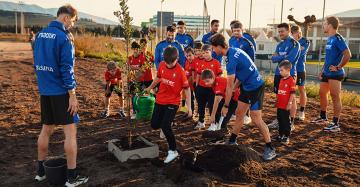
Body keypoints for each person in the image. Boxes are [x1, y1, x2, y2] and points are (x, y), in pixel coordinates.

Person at [33, 4, 88, 186]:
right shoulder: (64, 38)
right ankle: (72, 177)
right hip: (61, 91)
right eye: (71, 21)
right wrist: (72, 94)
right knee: (70, 132)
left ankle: (40, 172)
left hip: (45, 91)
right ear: (65, 18)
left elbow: (37, 63)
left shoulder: (40, 35)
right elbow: (67, 68)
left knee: (46, 130)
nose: (71, 25)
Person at [210, 33, 276, 161]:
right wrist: (234, 88)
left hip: (256, 87)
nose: (213, 50)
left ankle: (270, 147)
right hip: (246, 86)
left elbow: (229, 86)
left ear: (219, 46)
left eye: (213, 48)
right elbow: (242, 73)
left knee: (257, 119)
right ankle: (233, 140)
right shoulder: (234, 51)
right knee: (239, 114)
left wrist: (226, 105)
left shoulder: (231, 60)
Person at [145, 46, 192, 163]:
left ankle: (173, 151)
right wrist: (150, 87)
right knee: (155, 125)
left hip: (173, 101)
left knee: (166, 126)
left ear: (177, 59)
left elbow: (187, 90)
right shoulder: (161, 65)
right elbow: (158, 78)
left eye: (172, 63)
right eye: (167, 63)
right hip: (160, 99)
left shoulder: (180, 72)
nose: (169, 65)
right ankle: (166, 124)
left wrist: (189, 108)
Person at [312, 16, 352, 132]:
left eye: (324, 23)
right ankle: (323, 117)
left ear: (330, 25)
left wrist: (338, 67)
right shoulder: (329, 38)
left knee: (335, 97)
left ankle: (335, 123)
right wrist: (322, 69)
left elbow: (348, 54)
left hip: (335, 73)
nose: (323, 25)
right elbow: (328, 57)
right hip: (326, 72)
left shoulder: (338, 38)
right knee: (322, 93)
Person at [268, 23, 300, 129]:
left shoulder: (294, 44)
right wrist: (282, 56)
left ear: (288, 31)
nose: (280, 33)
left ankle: (291, 122)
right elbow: (273, 59)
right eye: (279, 31)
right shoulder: (280, 45)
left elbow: (288, 61)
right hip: (278, 74)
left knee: (291, 98)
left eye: (282, 31)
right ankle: (279, 120)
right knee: (280, 97)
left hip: (290, 75)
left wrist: (280, 57)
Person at [229, 20, 255, 125]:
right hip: (235, 71)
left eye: (238, 30)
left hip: (245, 72)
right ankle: (234, 113)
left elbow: (252, 59)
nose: (236, 32)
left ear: (242, 30)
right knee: (234, 91)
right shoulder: (231, 40)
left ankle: (247, 115)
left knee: (245, 93)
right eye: (234, 31)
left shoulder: (247, 43)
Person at [194, 44, 222, 130]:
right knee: (201, 105)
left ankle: (213, 123)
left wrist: (217, 87)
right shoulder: (201, 62)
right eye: (203, 53)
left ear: (211, 52)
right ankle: (201, 121)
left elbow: (219, 75)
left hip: (211, 89)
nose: (205, 54)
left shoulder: (216, 62)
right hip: (201, 88)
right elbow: (198, 74)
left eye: (207, 52)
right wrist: (197, 86)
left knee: (212, 105)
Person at [291, 25, 310, 121]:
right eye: (292, 33)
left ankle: (302, 111)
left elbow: (300, 53)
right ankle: (290, 111)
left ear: (299, 33)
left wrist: (292, 51)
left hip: (300, 69)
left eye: (295, 33)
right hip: (290, 69)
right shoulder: (290, 41)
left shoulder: (305, 41)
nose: (293, 35)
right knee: (291, 91)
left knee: (301, 89)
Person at [276, 60, 296, 144]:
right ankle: (281, 135)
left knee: (286, 121)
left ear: (288, 70)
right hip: (279, 105)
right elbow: (280, 92)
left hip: (285, 105)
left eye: (282, 70)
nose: (280, 72)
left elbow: (292, 93)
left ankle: (286, 136)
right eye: (280, 70)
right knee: (280, 120)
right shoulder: (281, 80)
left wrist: (290, 103)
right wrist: (277, 100)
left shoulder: (291, 80)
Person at [184, 47, 196, 113]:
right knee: (190, 98)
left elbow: (192, 75)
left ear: (193, 54)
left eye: (190, 55)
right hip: (189, 85)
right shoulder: (187, 62)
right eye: (187, 56)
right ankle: (191, 111)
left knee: (198, 100)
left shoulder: (195, 62)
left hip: (194, 83)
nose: (189, 57)